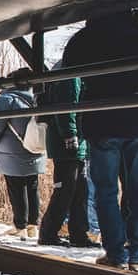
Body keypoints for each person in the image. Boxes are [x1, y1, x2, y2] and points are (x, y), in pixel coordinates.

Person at [63, 4, 138, 272]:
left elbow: (69, 68)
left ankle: (116, 253)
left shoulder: (86, 36)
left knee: (106, 190)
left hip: (102, 119)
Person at [0, 76, 46, 239]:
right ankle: (33, 226)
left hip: (12, 153)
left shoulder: (6, 100)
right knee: (32, 187)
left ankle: (20, 226)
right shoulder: (38, 97)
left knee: (16, 189)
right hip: (34, 149)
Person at [38, 70, 92, 247]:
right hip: (67, 142)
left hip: (76, 142)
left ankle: (78, 234)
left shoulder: (71, 73)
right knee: (66, 189)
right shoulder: (71, 76)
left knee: (79, 189)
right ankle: (48, 232)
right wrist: (70, 135)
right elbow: (66, 106)